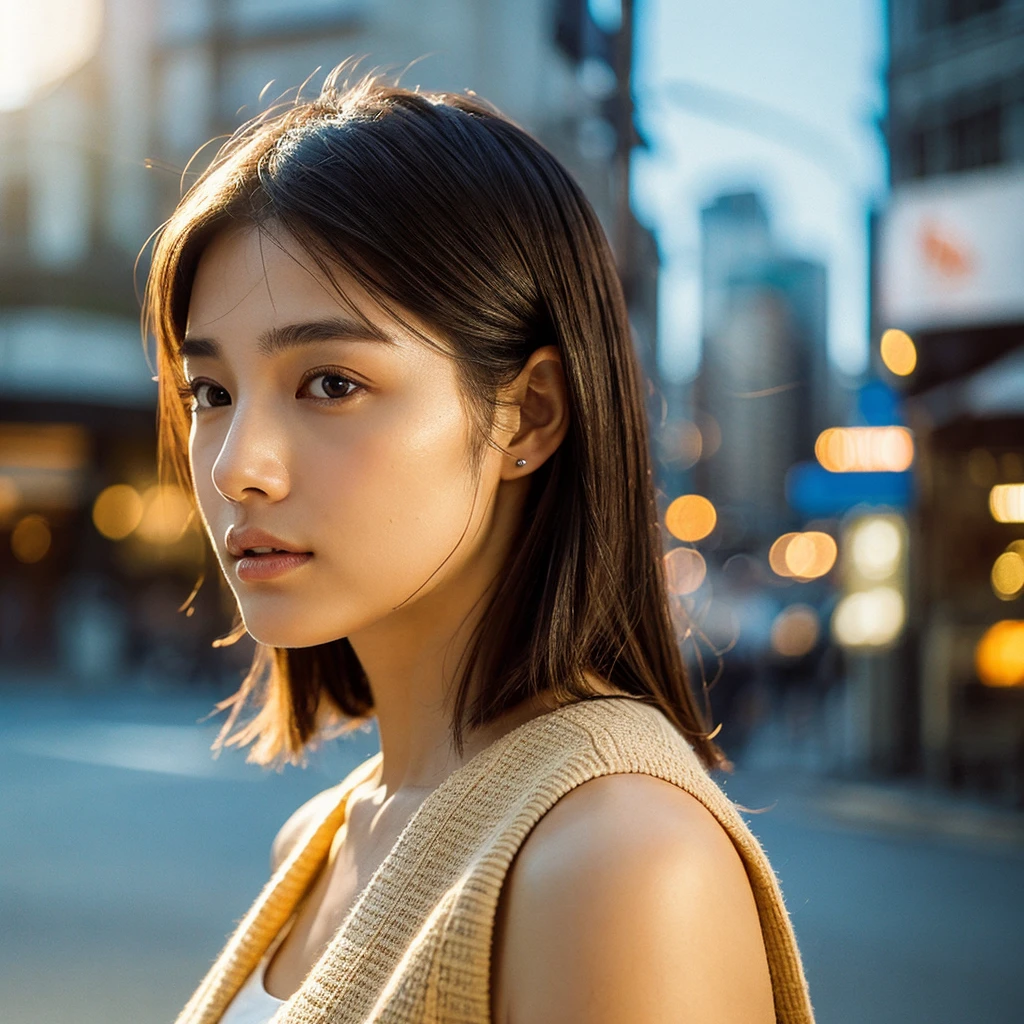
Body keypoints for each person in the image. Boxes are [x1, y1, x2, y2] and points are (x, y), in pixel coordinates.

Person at [145, 62, 816, 1024]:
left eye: (331, 382)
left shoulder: (615, 856)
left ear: (529, 415)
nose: (237, 467)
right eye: (210, 393)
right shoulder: (319, 838)